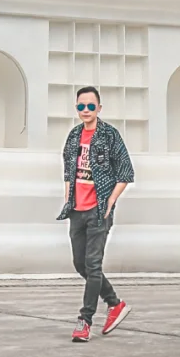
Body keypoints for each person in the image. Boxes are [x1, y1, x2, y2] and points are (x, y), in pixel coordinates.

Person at [57, 85, 134, 342]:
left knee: (93, 265)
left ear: (99, 108)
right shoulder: (73, 136)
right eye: (81, 106)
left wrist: (111, 201)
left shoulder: (109, 135)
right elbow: (69, 172)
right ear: (76, 108)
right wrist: (68, 197)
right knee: (80, 264)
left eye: (91, 106)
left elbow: (126, 171)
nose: (86, 110)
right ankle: (115, 303)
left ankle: (85, 321)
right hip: (77, 210)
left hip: (99, 210)